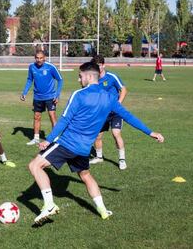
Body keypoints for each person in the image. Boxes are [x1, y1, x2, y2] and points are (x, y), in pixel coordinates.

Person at [28, 62, 164, 225]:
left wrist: (48, 140)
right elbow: (128, 116)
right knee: (85, 175)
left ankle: (49, 204)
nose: (79, 79)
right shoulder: (110, 98)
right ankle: (103, 211)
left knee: (35, 166)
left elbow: (64, 120)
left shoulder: (79, 94)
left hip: (68, 143)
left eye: (80, 76)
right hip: (84, 148)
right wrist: (151, 132)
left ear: (89, 76)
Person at [89, 55, 128, 170]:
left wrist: (118, 104)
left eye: (99, 66)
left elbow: (124, 90)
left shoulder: (111, 77)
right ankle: (99, 157)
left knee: (116, 134)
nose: (97, 68)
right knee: (97, 136)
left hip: (115, 113)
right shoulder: (93, 79)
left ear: (103, 65)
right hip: (101, 113)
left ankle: (122, 160)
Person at [20, 50, 63, 145]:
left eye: (41, 58)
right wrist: (24, 92)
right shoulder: (31, 67)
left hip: (50, 96)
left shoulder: (50, 67)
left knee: (52, 116)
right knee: (36, 117)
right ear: (35, 58)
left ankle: (55, 138)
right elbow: (29, 80)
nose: (39, 60)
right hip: (37, 97)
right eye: (37, 58)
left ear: (44, 58)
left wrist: (57, 95)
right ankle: (36, 138)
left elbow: (60, 80)